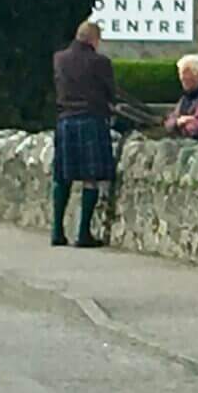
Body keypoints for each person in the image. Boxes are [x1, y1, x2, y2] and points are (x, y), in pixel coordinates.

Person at [50, 21, 118, 247]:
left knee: (62, 177)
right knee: (91, 177)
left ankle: (57, 231)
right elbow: (111, 93)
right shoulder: (100, 62)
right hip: (91, 120)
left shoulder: (59, 58)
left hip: (66, 120)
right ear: (94, 40)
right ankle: (83, 234)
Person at [163, 54, 198, 143]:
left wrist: (178, 126)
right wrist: (179, 122)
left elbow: (196, 129)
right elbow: (168, 124)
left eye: (185, 72)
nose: (182, 77)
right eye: (180, 73)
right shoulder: (185, 99)